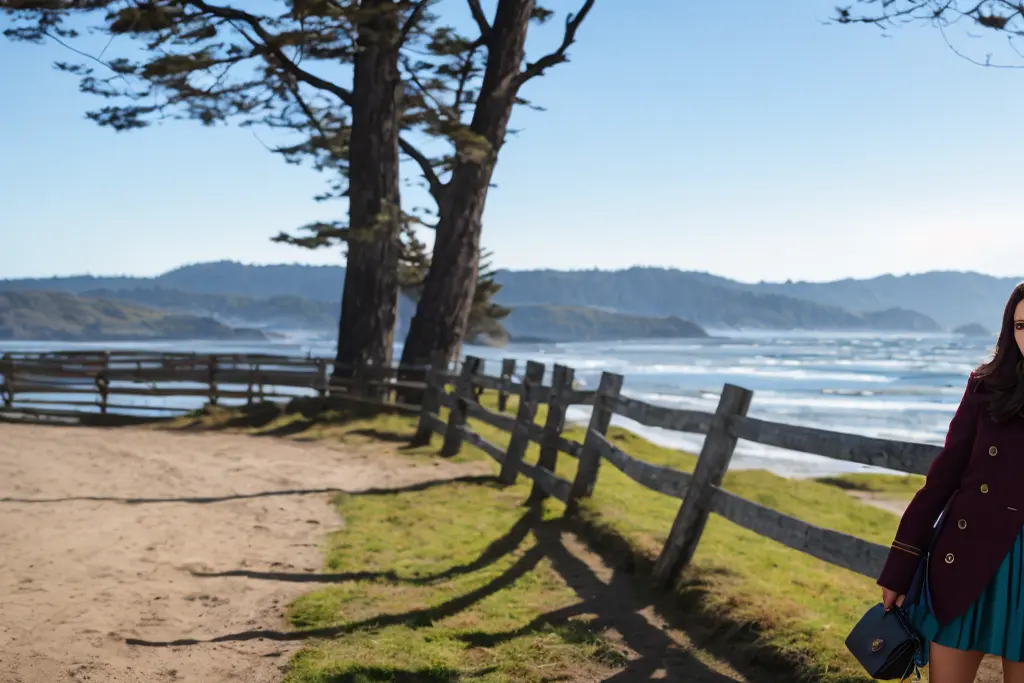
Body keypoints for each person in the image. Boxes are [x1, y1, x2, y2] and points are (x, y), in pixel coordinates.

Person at [879, 282, 1024, 683]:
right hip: (967, 560)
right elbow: (941, 481)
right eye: (1020, 325)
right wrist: (899, 569)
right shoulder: (986, 387)